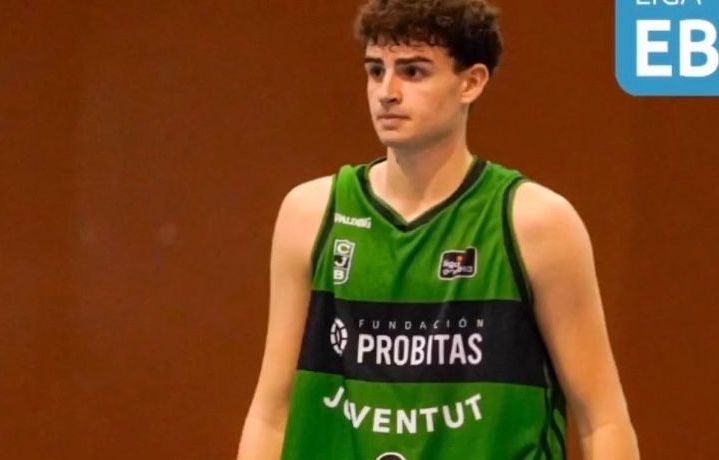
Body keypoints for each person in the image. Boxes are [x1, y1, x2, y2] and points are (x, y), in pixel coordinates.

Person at [237, 0, 640, 459]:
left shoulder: (536, 222)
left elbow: (602, 419)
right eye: (375, 71)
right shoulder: (311, 214)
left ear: (471, 82)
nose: (386, 92)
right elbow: (272, 411)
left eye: (413, 72)